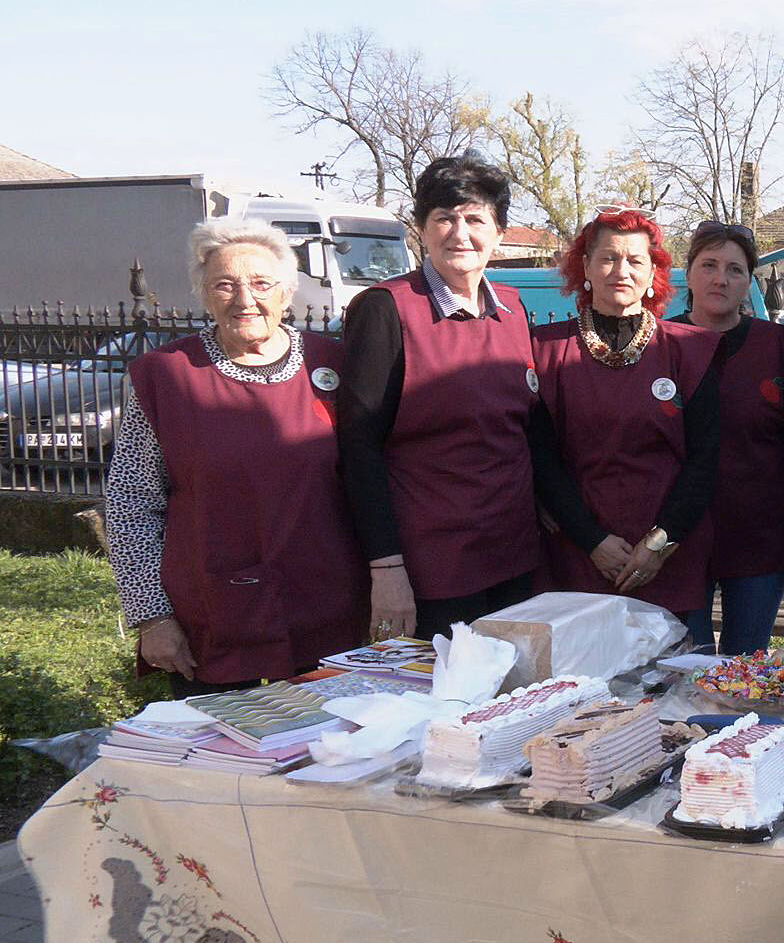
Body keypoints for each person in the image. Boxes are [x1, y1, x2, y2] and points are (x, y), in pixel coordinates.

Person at [106, 219, 365, 697]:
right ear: (204, 295)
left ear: (287, 293)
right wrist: (152, 617)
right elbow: (131, 504)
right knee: (222, 757)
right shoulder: (165, 377)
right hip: (212, 613)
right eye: (224, 284)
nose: (245, 299)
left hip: (328, 610)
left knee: (328, 753)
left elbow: (373, 481)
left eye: (261, 283)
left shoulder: (335, 364)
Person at [337, 156, 547, 640]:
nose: (460, 233)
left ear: (498, 233)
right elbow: (359, 447)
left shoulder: (513, 310)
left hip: (513, 556)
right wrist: (385, 567)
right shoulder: (386, 310)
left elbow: (527, 427)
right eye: (444, 218)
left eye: (475, 219)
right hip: (433, 567)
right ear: (421, 230)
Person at [530, 207, 722, 620]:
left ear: (653, 270)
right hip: (577, 554)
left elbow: (705, 460)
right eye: (608, 258)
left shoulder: (692, 351)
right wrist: (591, 540)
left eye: (635, 260)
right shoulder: (544, 352)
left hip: (670, 555)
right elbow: (542, 460)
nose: (622, 270)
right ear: (585, 266)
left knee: (670, 682)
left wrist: (659, 543)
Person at [670, 221, 784, 654]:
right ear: (688, 274)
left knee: (747, 669)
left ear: (749, 281)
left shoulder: (777, 345)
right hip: (676, 544)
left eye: (735, 269)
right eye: (708, 265)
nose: (720, 278)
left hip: (759, 541)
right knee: (687, 671)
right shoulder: (659, 345)